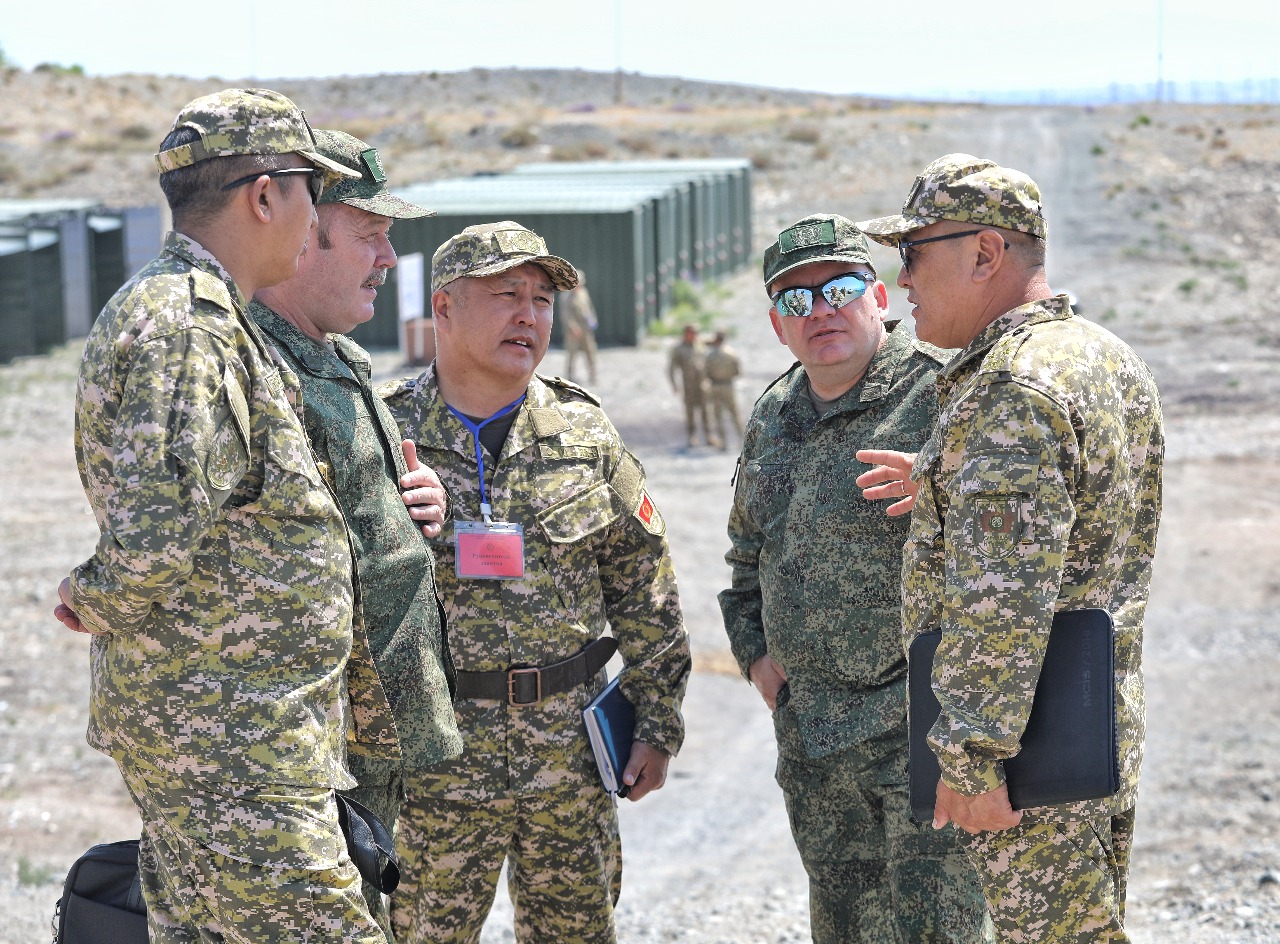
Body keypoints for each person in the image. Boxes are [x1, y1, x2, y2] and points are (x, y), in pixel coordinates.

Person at [53, 89, 397, 943]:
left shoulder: (208, 314)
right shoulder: (188, 324)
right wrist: (89, 596)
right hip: (233, 746)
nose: (315, 218)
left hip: (239, 736)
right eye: (312, 192)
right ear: (265, 195)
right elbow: (154, 537)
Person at [856, 154, 1164, 943]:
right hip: (1089, 720)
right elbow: (1083, 529)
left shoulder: (1012, 389)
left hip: (1027, 750)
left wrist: (970, 756)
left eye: (913, 252)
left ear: (985, 252)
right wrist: (946, 480)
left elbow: (1005, 602)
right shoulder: (1100, 355)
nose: (904, 279)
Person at [381, 220, 692, 944]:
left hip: (568, 755)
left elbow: (643, 583)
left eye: (543, 300)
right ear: (444, 307)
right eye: (507, 295)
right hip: (432, 756)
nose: (530, 315)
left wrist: (659, 721)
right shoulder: (383, 431)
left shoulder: (584, 431)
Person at [719, 214, 991, 944]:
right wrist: (758, 658)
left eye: (838, 289)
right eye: (796, 300)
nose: (821, 311)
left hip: (922, 737)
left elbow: (1004, 555)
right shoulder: (774, 414)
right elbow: (747, 554)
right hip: (816, 743)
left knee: (944, 932)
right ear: (778, 325)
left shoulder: (945, 394)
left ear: (879, 296)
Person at [249, 128, 464, 935]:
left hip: (369, 744)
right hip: (313, 751)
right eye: (371, 234)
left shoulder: (337, 359)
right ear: (305, 234)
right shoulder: (260, 372)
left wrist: (416, 509)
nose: (389, 259)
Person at [667, 323, 718, 448]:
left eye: (696, 333)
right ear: (686, 333)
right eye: (692, 333)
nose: (695, 335)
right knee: (690, 411)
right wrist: (674, 384)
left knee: (706, 410)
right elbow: (672, 368)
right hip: (689, 385)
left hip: (703, 384)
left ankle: (709, 435)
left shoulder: (699, 345)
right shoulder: (679, 349)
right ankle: (692, 436)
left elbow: (711, 343)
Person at [703, 330, 743, 449]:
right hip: (728, 385)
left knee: (718, 415)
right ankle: (742, 440)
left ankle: (723, 442)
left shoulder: (711, 355)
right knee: (734, 413)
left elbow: (706, 371)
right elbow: (737, 371)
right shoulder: (731, 353)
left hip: (715, 385)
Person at [561, 267, 599, 383]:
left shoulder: (583, 293)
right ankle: (570, 376)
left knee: (590, 351)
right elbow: (566, 315)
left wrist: (593, 320)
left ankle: (593, 375)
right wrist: (574, 328)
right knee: (572, 354)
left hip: (586, 328)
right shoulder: (566, 296)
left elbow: (589, 308)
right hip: (574, 331)